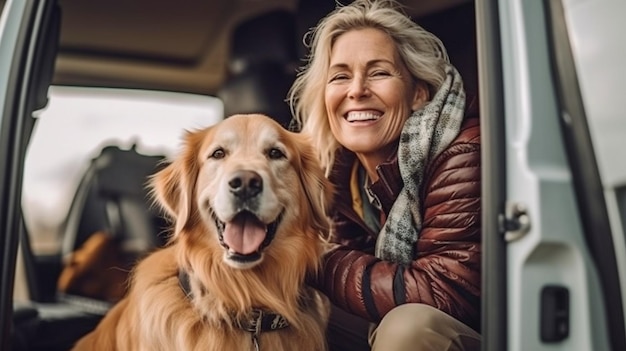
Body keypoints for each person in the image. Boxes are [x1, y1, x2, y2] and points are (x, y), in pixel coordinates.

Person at [287, 0, 481, 350]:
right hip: (389, 314)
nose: (356, 90)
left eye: (378, 72)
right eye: (340, 76)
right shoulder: (334, 175)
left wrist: (312, 257)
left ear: (418, 94)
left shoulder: (462, 152)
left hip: (471, 328)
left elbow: (441, 291)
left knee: (409, 327)